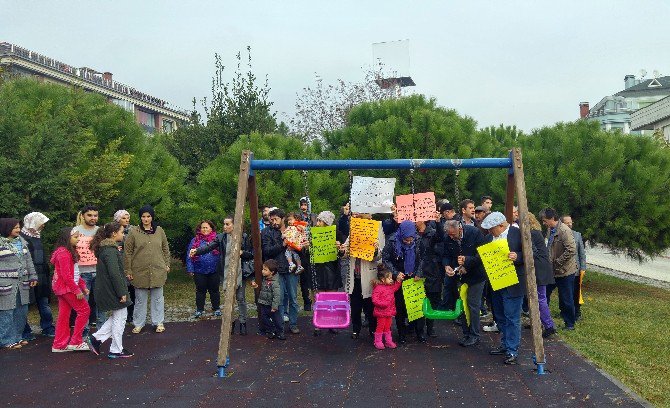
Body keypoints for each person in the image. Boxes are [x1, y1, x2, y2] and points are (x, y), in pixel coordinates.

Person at [190, 215, 254, 335]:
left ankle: (243, 323)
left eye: (227, 224)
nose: (225, 227)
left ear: (234, 225)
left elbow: (251, 254)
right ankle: (231, 323)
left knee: (241, 299)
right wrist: (197, 251)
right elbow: (209, 247)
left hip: (240, 273)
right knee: (229, 300)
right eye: (224, 224)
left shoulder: (243, 237)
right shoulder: (220, 237)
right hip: (227, 273)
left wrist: (242, 253)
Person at [481, 212, 525, 365]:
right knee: (499, 315)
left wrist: (518, 256)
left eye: (491, 229)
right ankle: (505, 344)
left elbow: (532, 254)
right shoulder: (488, 238)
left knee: (512, 317)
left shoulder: (518, 234)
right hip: (496, 283)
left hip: (513, 283)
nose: (489, 232)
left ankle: (512, 349)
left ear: (501, 225)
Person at [86, 222, 133, 359]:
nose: (123, 234)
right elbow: (115, 274)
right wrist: (121, 292)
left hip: (107, 289)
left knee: (117, 316)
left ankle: (96, 339)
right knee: (120, 318)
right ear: (114, 234)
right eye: (121, 232)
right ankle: (115, 349)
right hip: (112, 290)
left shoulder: (107, 249)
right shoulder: (110, 251)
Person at [439, 220, 487, 347]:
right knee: (462, 303)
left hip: (477, 275)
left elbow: (483, 255)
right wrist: (447, 266)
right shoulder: (448, 237)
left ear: (460, 228)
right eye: (449, 235)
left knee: (473, 305)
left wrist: (467, 262)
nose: (451, 237)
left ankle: (474, 335)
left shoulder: (475, 233)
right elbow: (446, 254)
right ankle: (466, 333)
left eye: (453, 234)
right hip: (460, 275)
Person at [125, 205, 170, 334]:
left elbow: (165, 248)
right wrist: (128, 270)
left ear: (152, 217)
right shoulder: (134, 232)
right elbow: (127, 252)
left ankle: (158, 322)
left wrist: (167, 264)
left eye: (148, 216)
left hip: (157, 269)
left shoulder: (159, 230)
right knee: (140, 299)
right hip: (140, 270)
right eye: (143, 216)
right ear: (140, 217)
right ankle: (138, 323)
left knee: (158, 298)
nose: (146, 219)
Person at [382, 220, 425, 344]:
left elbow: (423, 258)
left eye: (411, 239)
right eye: (406, 239)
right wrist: (395, 273)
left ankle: (419, 332)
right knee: (400, 307)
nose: (409, 241)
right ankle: (401, 334)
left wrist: (419, 273)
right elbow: (386, 259)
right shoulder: (392, 241)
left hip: (414, 277)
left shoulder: (418, 240)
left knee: (417, 305)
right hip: (400, 278)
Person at [342, 213, 382, 340]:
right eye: (366, 217)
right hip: (354, 276)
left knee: (370, 305)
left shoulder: (376, 230)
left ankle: (372, 329)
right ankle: (356, 329)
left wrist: (375, 249)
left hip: (368, 276)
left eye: (370, 217)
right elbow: (345, 252)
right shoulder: (353, 231)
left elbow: (379, 256)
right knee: (355, 306)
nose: (369, 219)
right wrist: (341, 250)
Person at [50, 227, 91, 352]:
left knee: (64, 315)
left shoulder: (68, 251)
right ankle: (76, 341)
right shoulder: (63, 253)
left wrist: (82, 286)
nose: (78, 239)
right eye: (75, 237)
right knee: (84, 310)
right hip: (67, 288)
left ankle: (59, 344)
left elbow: (75, 273)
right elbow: (66, 276)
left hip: (65, 288)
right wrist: (77, 290)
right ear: (67, 238)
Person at [0, 218, 38, 350]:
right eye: (15, 227)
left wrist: (33, 276)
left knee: (21, 310)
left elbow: (29, 262)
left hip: (23, 283)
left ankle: (17, 337)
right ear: (6, 228)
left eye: (19, 227)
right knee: (7, 312)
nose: (18, 230)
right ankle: (5, 340)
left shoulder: (22, 243)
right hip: (5, 284)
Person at [261, 208, 300, 334]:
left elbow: (300, 247)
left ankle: (293, 324)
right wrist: (282, 244)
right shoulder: (267, 232)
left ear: (283, 219)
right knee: (280, 299)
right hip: (277, 270)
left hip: (291, 268)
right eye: (271, 220)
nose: (273, 222)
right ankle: (280, 325)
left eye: (276, 219)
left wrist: (302, 245)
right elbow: (267, 251)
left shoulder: (293, 229)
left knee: (293, 298)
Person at [20, 212, 55, 338]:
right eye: (41, 223)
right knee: (25, 304)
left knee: (44, 302)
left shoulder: (37, 236)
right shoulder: (21, 238)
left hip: (42, 274)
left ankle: (47, 327)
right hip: (28, 274)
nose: (43, 226)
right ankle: (25, 330)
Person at [541, 208, 577, 330]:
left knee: (566, 298)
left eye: (545, 220)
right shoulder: (550, 229)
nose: (544, 223)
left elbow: (571, 250)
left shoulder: (564, 231)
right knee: (544, 294)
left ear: (552, 219)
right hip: (551, 270)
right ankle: (544, 320)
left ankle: (570, 324)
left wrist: (558, 262)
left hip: (565, 271)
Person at [312, 211, 344, 336]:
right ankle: (318, 324)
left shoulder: (337, 234)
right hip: (318, 270)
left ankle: (332, 323)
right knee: (319, 298)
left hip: (332, 269)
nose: (318, 223)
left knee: (332, 298)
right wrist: (308, 247)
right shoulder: (313, 234)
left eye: (320, 221)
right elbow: (307, 254)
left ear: (327, 223)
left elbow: (342, 254)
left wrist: (340, 248)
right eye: (318, 220)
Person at [73, 205, 104, 327]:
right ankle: (83, 332)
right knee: (83, 305)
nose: (93, 218)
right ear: (83, 216)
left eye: (95, 215)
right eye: (89, 215)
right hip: (82, 273)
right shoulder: (75, 231)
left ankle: (102, 330)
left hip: (99, 271)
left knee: (101, 302)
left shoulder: (100, 231)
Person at [527, 213, 557, 338]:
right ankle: (539, 322)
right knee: (539, 297)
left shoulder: (532, 234)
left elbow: (531, 252)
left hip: (538, 268)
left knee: (540, 298)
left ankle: (549, 325)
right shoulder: (536, 232)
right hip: (541, 267)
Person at [186, 220, 221, 318]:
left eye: (206, 227)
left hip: (214, 270)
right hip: (199, 270)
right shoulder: (194, 240)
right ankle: (200, 309)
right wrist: (190, 268)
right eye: (203, 227)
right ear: (199, 229)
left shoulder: (217, 239)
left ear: (211, 228)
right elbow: (189, 255)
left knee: (214, 290)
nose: (204, 229)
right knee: (200, 291)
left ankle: (216, 308)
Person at [416, 220, 442, 338]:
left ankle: (430, 327)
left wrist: (438, 222)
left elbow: (441, 237)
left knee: (432, 300)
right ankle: (419, 330)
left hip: (432, 272)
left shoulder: (432, 233)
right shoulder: (412, 233)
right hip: (417, 272)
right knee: (418, 301)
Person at [252, 259, 285, 340]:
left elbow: (277, 295)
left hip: (271, 305)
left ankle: (280, 332)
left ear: (272, 272)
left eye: (265, 270)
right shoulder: (265, 279)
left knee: (277, 320)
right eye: (263, 269)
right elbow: (262, 289)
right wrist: (256, 286)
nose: (262, 271)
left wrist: (274, 306)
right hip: (263, 303)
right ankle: (271, 330)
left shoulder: (275, 282)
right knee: (264, 318)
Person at [561, 215, 586, 321]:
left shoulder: (577, 235)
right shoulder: (559, 234)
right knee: (565, 293)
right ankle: (564, 312)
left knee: (576, 292)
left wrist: (583, 268)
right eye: (567, 223)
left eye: (571, 222)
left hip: (576, 270)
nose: (570, 224)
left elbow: (582, 253)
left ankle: (577, 313)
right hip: (563, 270)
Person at [371, 265, 402, 350]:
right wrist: (383, 304)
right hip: (381, 312)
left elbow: (396, 287)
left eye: (391, 278)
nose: (391, 279)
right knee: (380, 326)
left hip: (389, 311)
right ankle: (378, 341)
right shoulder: (378, 288)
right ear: (383, 279)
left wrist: (398, 281)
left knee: (388, 326)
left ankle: (388, 341)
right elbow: (374, 299)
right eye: (389, 278)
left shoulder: (390, 287)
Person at [113, 209, 135, 323]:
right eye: (124, 218)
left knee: (133, 290)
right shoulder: (113, 230)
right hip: (119, 263)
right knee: (122, 290)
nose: (126, 220)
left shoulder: (133, 230)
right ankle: (121, 314)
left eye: (127, 218)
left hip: (132, 263)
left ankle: (131, 314)